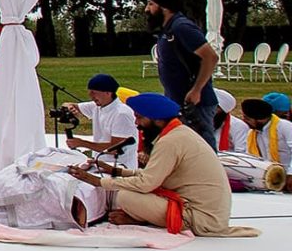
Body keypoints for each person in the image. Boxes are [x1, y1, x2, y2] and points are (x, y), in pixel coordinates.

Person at [68, 93, 259, 237]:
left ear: (158, 120)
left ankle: (142, 220)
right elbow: (155, 174)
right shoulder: (176, 133)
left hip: (200, 218)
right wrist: (116, 171)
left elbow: (146, 183)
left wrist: (97, 182)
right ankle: (143, 218)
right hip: (204, 211)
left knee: (125, 197)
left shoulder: (170, 141)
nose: (136, 123)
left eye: (140, 118)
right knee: (131, 192)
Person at [145, 0, 218, 149]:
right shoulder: (168, 30)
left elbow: (210, 57)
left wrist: (197, 89)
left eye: (151, 4)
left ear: (164, 6)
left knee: (202, 149)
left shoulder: (181, 27)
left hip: (194, 104)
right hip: (177, 101)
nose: (147, 9)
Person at [62, 74, 138, 172]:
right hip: (98, 164)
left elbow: (114, 149)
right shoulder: (97, 106)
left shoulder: (122, 114)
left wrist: (82, 143)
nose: (91, 96)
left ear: (108, 93)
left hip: (120, 167)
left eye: (94, 93)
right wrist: (69, 107)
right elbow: (69, 104)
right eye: (89, 92)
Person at [239, 98, 292, 191]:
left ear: (259, 119)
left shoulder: (285, 126)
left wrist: (290, 174)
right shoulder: (252, 133)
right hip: (268, 179)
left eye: (247, 118)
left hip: (288, 178)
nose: (243, 120)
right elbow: (250, 157)